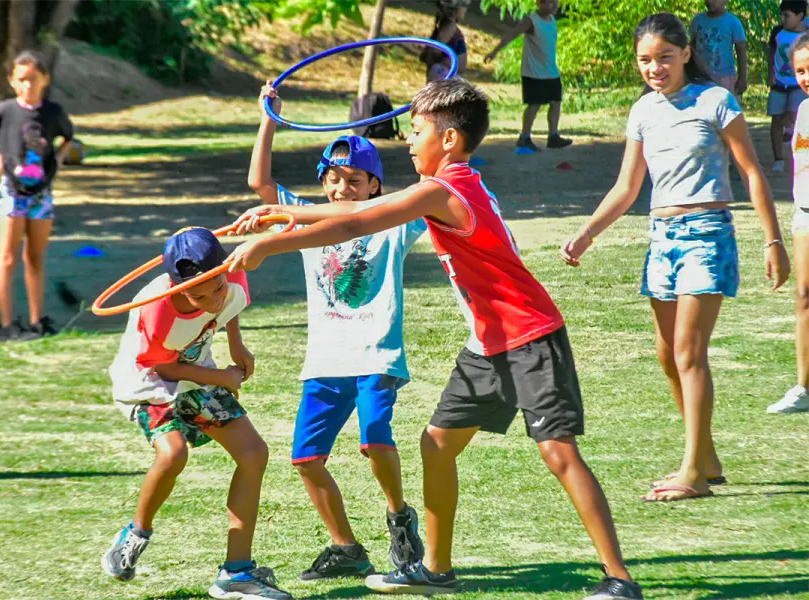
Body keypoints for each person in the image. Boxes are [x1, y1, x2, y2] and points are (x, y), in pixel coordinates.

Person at [229, 77, 643, 600]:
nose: (408, 140)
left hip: (530, 336)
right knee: (436, 445)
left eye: (417, 129)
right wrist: (283, 213)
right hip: (487, 345)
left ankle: (619, 580)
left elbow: (357, 223)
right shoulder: (448, 185)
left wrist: (272, 242)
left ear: (448, 139)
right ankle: (435, 569)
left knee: (558, 454)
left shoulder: (446, 189)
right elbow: (356, 211)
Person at [561, 14, 790, 501]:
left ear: (686, 53)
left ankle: (693, 473)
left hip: (708, 233)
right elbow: (627, 188)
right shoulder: (643, 111)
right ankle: (704, 454)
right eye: (645, 60)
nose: (655, 68)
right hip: (661, 237)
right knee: (668, 356)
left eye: (664, 57)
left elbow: (751, 173)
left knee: (689, 353)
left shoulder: (716, 101)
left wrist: (773, 241)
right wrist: (587, 234)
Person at [243, 84, 426, 580]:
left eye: (352, 180)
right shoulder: (309, 221)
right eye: (333, 179)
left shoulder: (395, 222)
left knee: (373, 438)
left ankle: (399, 518)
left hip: (376, 353)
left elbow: (436, 192)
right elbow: (260, 184)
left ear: (375, 187)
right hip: (326, 361)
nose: (341, 190)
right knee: (305, 458)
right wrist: (269, 118)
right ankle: (346, 547)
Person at [101, 227, 292, 600]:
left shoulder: (232, 273)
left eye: (216, 287)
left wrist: (238, 346)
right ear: (176, 287)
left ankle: (236, 572)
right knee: (173, 453)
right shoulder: (157, 309)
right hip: (149, 383)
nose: (211, 300)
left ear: (225, 270)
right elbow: (166, 369)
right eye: (197, 295)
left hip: (195, 373)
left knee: (254, 453)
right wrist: (219, 375)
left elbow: (230, 304)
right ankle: (136, 533)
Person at [0, 50, 74, 340]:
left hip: (42, 194)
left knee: (35, 257)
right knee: (7, 257)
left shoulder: (53, 112)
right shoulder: (5, 110)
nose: (28, 85)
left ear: (45, 79)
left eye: (34, 79)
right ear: (12, 81)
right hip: (12, 192)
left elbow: (69, 135)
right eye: (22, 80)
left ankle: (37, 319)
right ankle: (7, 323)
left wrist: (61, 157)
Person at [769, 31, 809, 414]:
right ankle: (804, 389)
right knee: (804, 297)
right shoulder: (802, 111)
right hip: (805, 215)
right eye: (800, 70)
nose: (806, 76)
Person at [484, 0, 572, 151]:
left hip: (550, 70)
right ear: (539, 3)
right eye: (550, 2)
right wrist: (495, 51)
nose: (554, 5)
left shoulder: (552, 21)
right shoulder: (531, 21)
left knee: (555, 102)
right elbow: (512, 34)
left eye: (555, 2)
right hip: (534, 71)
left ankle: (553, 136)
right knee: (534, 104)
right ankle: (524, 137)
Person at [768, 1, 809, 173]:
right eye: (781, 15)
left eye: (787, 15)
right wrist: (770, 73)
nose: (782, 19)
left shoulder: (806, 36)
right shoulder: (777, 32)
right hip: (779, 83)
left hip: (798, 85)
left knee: (795, 114)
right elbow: (771, 53)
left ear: (800, 16)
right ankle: (778, 158)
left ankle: (798, 150)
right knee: (776, 119)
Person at [690, 0, 748, 97]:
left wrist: (742, 78)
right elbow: (691, 48)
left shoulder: (733, 22)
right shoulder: (697, 21)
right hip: (701, 77)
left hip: (724, 78)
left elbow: (741, 51)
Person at [422, 0, 469, 82]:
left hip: (446, 74)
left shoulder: (446, 25)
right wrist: (434, 65)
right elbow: (436, 49)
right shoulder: (450, 25)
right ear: (457, 9)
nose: (465, 11)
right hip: (444, 74)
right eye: (464, 7)